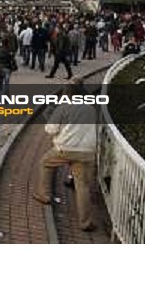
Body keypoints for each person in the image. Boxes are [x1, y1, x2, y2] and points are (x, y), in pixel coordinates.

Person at [33, 77, 97, 232]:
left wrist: (49, 117)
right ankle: (85, 222)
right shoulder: (91, 107)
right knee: (83, 186)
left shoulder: (63, 108)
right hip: (87, 151)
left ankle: (44, 195)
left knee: (45, 163)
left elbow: (50, 130)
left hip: (65, 149)